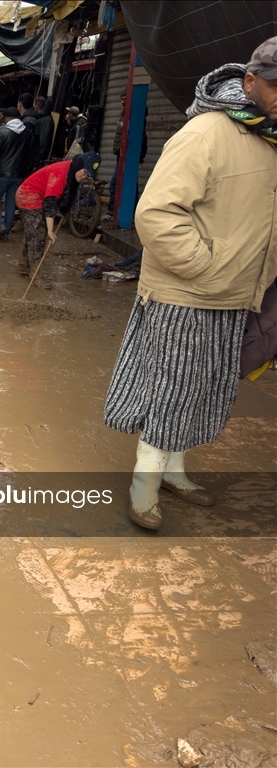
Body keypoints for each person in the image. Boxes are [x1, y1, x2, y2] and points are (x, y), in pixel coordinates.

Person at [103, 38, 277, 531]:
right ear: (249, 82)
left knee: (201, 391)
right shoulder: (206, 133)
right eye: (274, 83)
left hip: (236, 294)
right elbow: (155, 214)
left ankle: (174, 473)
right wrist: (210, 268)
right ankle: (144, 491)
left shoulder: (270, 137)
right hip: (189, 292)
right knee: (172, 391)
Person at [14, 151, 101, 285]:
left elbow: (69, 196)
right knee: (38, 235)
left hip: (37, 195)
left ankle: (23, 265)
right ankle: (36, 276)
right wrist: (50, 230)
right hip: (28, 195)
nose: (85, 176)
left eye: (88, 175)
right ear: (80, 166)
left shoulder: (73, 172)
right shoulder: (61, 174)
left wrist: (65, 212)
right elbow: (51, 203)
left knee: (33, 233)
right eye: (84, 172)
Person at [0, 106, 28, 240]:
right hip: (18, 174)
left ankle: (0, 225)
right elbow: (30, 154)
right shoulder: (27, 132)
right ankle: (5, 233)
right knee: (10, 203)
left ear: (7, 118)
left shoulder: (3, 131)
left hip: (2, 173)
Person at [106, 92, 149, 218]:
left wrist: (139, 154)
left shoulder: (134, 114)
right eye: (121, 99)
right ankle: (125, 210)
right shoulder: (124, 113)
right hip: (121, 154)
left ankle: (112, 211)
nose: (123, 101)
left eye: (125, 98)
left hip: (127, 154)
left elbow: (141, 135)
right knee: (127, 183)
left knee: (118, 184)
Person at [18, 92, 40, 174]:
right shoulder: (30, 118)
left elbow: (27, 144)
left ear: (20, 104)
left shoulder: (28, 121)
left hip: (26, 163)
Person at [33, 96, 54, 168]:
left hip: (39, 158)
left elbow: (43, 142)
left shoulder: (45, 120)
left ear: (36, 106)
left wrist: (38, 159)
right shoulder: (44, 119)